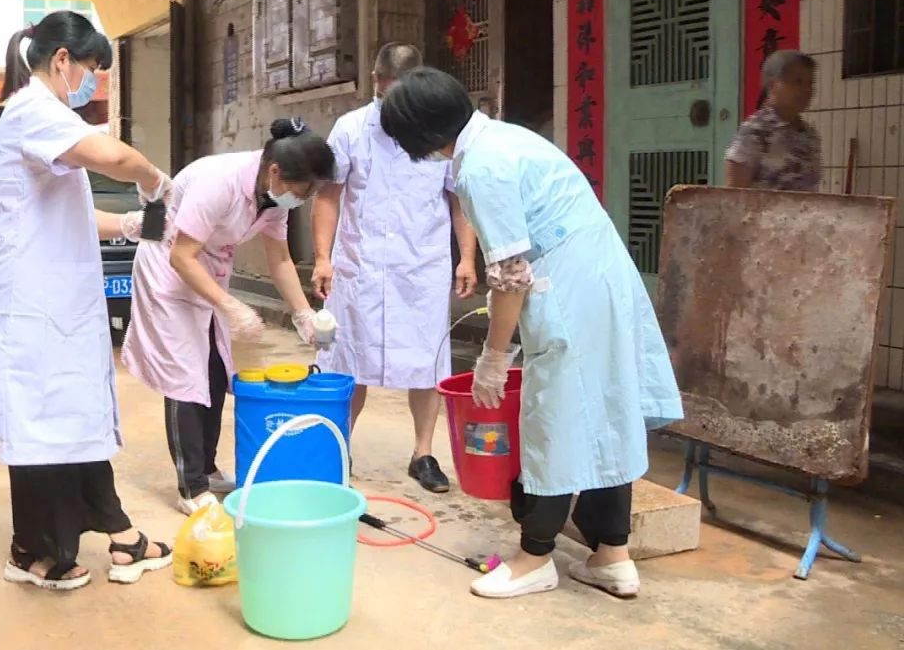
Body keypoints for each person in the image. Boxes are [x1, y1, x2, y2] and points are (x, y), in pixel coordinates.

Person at [380, 67, 683, 600]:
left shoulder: (481, 169)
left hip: (567, 288)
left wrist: (493, 357)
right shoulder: (505, 136)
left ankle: (534, 558)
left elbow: (511, 276)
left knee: (553, 419)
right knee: (604, 412)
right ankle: (612, 554)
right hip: (603, 276)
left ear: (422, 135)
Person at [0, 11, 173, 590]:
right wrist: (154, 180)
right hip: (36, 305)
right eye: (91, 68)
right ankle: (48, 551)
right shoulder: (37, 110)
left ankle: (93, 540)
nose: (93, 82)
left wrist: (133, 224)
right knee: (51, 428)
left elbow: (67, 213)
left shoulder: (40, 118)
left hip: (52, 302)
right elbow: (115, 158)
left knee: (64, 424)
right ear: (62, 60)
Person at [123, 118, 335, 514]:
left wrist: (303, 313)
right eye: (305, 190)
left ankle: (205, 465)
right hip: (169, 269)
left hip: (208, 267)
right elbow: (180, 256)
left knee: (216, 369)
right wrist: (231, 304)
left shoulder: (272, 196)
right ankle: (191, 487)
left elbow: (281, 259)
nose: (305, 199)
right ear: (276, 172)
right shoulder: (218, 183)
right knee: (184, 375)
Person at [311, 43, 478, 493]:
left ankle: (423, 452)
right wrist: (323, 257)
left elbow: (458, 198)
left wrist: (467, 256)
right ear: (376, 81)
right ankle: (338, 447)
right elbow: (328, 194)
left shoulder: (434, 133)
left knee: (427, 363)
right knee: (350, 362)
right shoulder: (349, 129)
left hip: (420, 266)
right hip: (360, 266)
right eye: (390, 94)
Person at [725, 50, 822, 191]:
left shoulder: (809, 135)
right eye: (798, 82)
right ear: (772, 85)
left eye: (810, 83)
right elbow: (733, 193)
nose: (806, 90)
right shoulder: (755, 132)